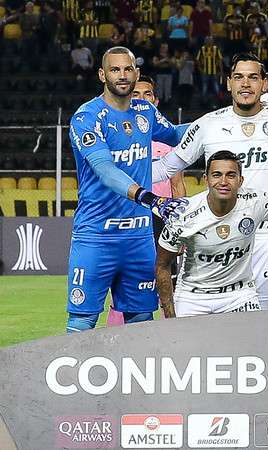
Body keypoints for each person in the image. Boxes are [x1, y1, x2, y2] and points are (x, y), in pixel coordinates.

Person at [152, 55, 268, 310]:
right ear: (228, 83)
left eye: (253, 77)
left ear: (262, 83)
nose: (246, 84)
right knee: (216, 330)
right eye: (239, 77)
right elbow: (168, 166)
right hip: (217, 239)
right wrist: (122, 177)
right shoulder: (207, 125)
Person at [65, 46, 188, 333]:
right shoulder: (87, 117)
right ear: (102, 74)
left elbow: (176, 134)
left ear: (136, 73)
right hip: (96, 237)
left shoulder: (145, 111)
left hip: (138, 238)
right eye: (115, 69)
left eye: (127, 69)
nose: (122, 75)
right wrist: (148, 197)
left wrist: (226, 119)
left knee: (142, 322)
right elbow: (106, 171)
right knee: (83, 321)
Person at [156, 151, 268, 317]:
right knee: (184, 343)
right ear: (206, 179)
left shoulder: (256, 202)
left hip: (240, 295)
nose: (223, 182)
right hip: (193, 298)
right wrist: (170, 317)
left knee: (252, 342)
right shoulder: (183, 214)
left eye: (230, 175)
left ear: (240, 180)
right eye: (216, 175)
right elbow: (162, 265)